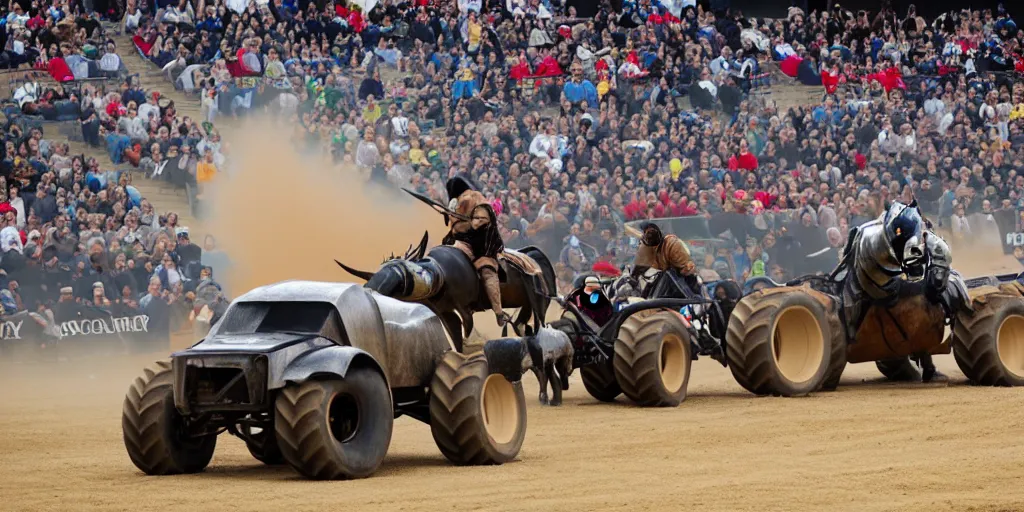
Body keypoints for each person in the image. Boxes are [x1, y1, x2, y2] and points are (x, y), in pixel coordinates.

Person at [441, 183, 508, 326]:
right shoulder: (457, 203)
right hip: (464, 242)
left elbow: (477, 226)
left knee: (487, 272)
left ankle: (499, 312)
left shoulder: (479, 203)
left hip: (482, 246)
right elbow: (456, 229)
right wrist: (449, 214)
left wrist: (461, 220)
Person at [631, 222, 699, 295]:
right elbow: (637, 271)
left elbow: (687, 269)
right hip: (660, 286)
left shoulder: (672, 244)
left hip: (681, 285)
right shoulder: (646, 248)